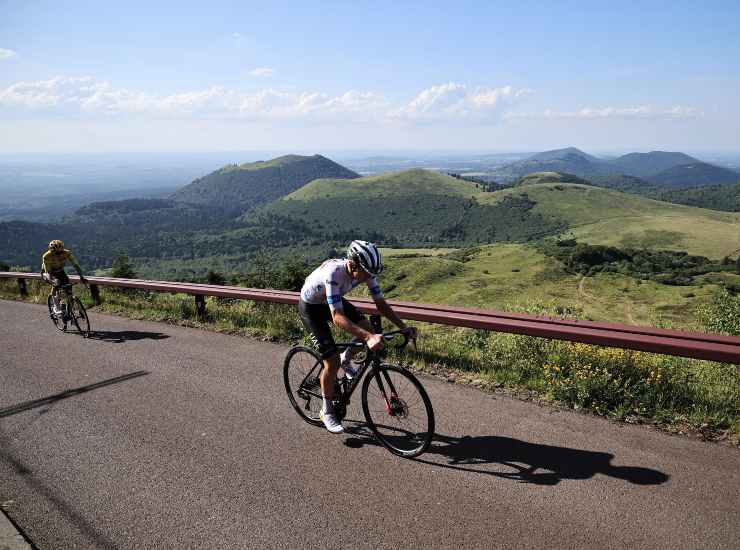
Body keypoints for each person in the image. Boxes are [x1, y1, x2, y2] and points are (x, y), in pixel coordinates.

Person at [298, 240, 417, 434]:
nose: (369, 278)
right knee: (331, 361)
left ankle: (347, 358)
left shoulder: (366, 270)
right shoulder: (333, 273)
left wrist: (403, 327)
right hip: (311, 308)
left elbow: (381, 305)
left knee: (366, 327)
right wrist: (369, 337)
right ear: (353, 265)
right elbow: (337, 317)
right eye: (366, 274)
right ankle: (326, 411)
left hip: (328, 300)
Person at [41, 240, 88, 313]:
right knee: (56, 284)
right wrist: (53, 280)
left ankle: (69, 311)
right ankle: (56, 306)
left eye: (61, 251)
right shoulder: (46, 256)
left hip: (60, 271)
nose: (59, 254)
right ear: (51, 251)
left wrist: (81, 276)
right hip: (47, 272)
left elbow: (76, 265)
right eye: (57, 252)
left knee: (69, 289)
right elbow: (48, 273)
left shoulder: (67, 253)